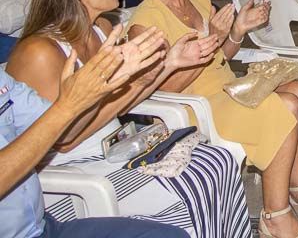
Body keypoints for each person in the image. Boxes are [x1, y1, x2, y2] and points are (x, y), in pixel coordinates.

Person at [8, 0, 252, 237]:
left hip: (115, 142)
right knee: (189, 185)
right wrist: (138, 79)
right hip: (72, 166)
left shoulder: (102, 30)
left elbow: (121, 102)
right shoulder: (41, 52)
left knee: (219, 161)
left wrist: (169, 64)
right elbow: (63, 141)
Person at [129, 0, 298, 237]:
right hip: (193, 106)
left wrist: (237, 30)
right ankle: (276, 216)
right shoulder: (146, 23)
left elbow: (222, 57)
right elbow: (159, 91)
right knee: (287, 105)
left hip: (225, 87)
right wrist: (210, 40)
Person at [0, 28, 187, 238]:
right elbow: (64, 127)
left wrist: (103, 88)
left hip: (41, 226)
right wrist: (67, 107)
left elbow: (65, 134)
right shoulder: (38, 51)